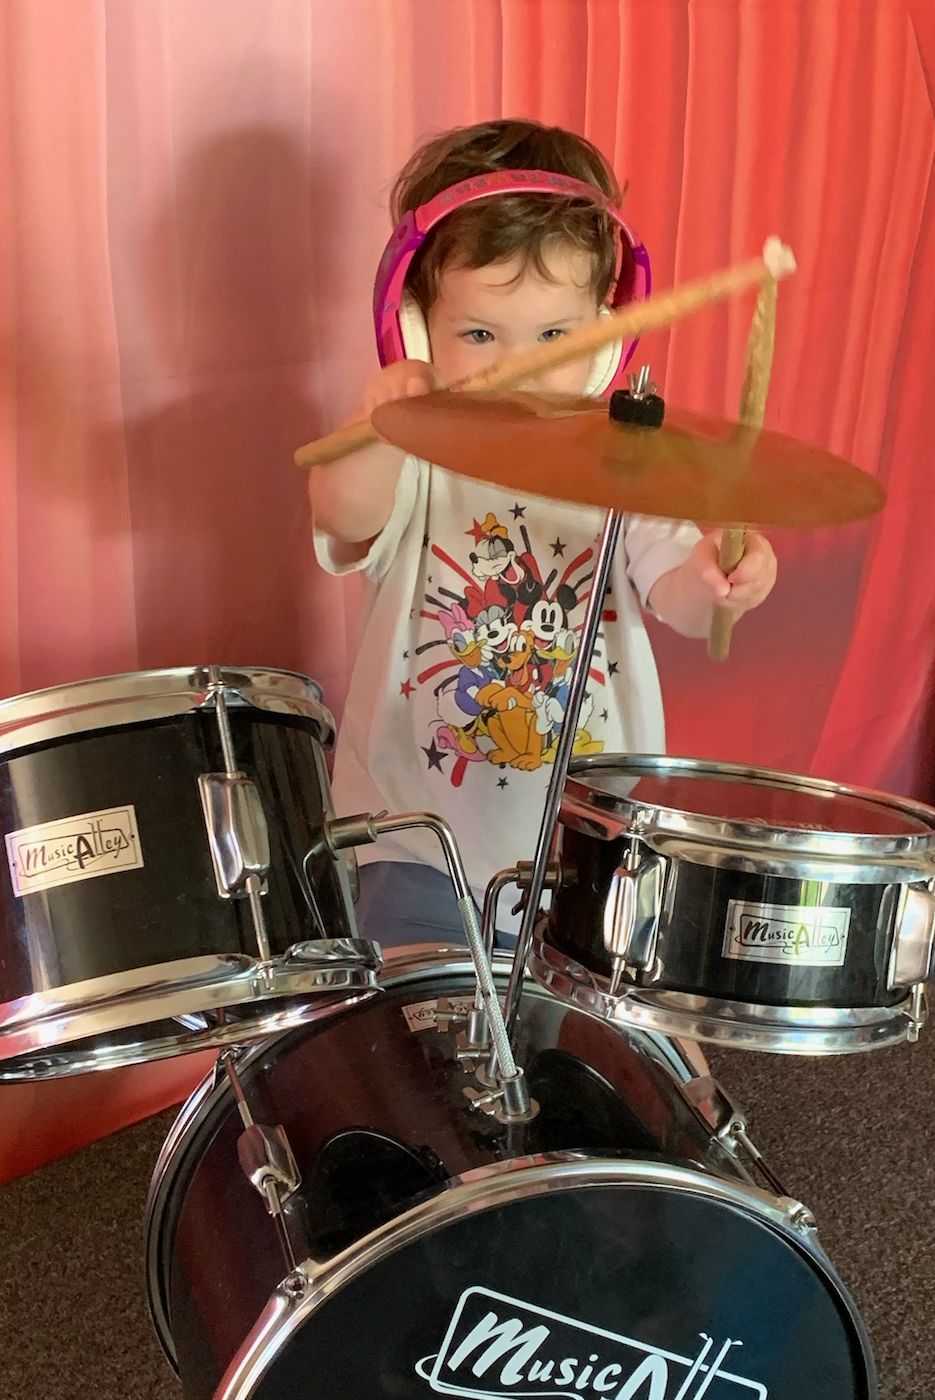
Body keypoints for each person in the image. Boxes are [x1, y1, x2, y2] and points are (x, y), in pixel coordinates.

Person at [309, 119, 776, 947]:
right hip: (418, 840)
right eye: (480, 335)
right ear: (417, 329)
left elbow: (680, 588)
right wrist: (377, 422)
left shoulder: (626, 457)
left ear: (604, 333)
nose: (516, 365)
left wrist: (723, 582)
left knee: (575, 1053)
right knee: (420, 1044)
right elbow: (343, 513)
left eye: (555, 337)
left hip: (590, 843)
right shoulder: (416, 447)